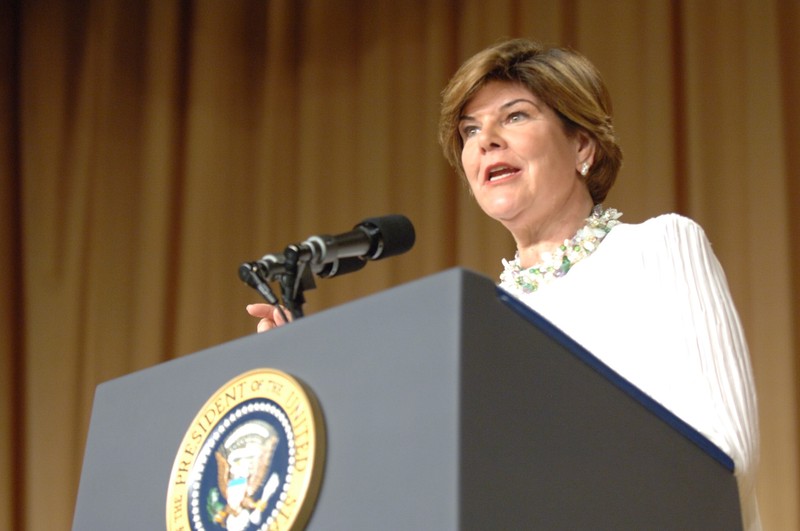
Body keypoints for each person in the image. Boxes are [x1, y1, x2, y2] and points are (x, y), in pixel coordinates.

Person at [248, 38, 761, 529]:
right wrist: (305, 366)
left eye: (515, 116)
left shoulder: (657, 246)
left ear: (582, 144)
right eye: (470, 130)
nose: (486, 138)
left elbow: (724, 457)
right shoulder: (484, 323)